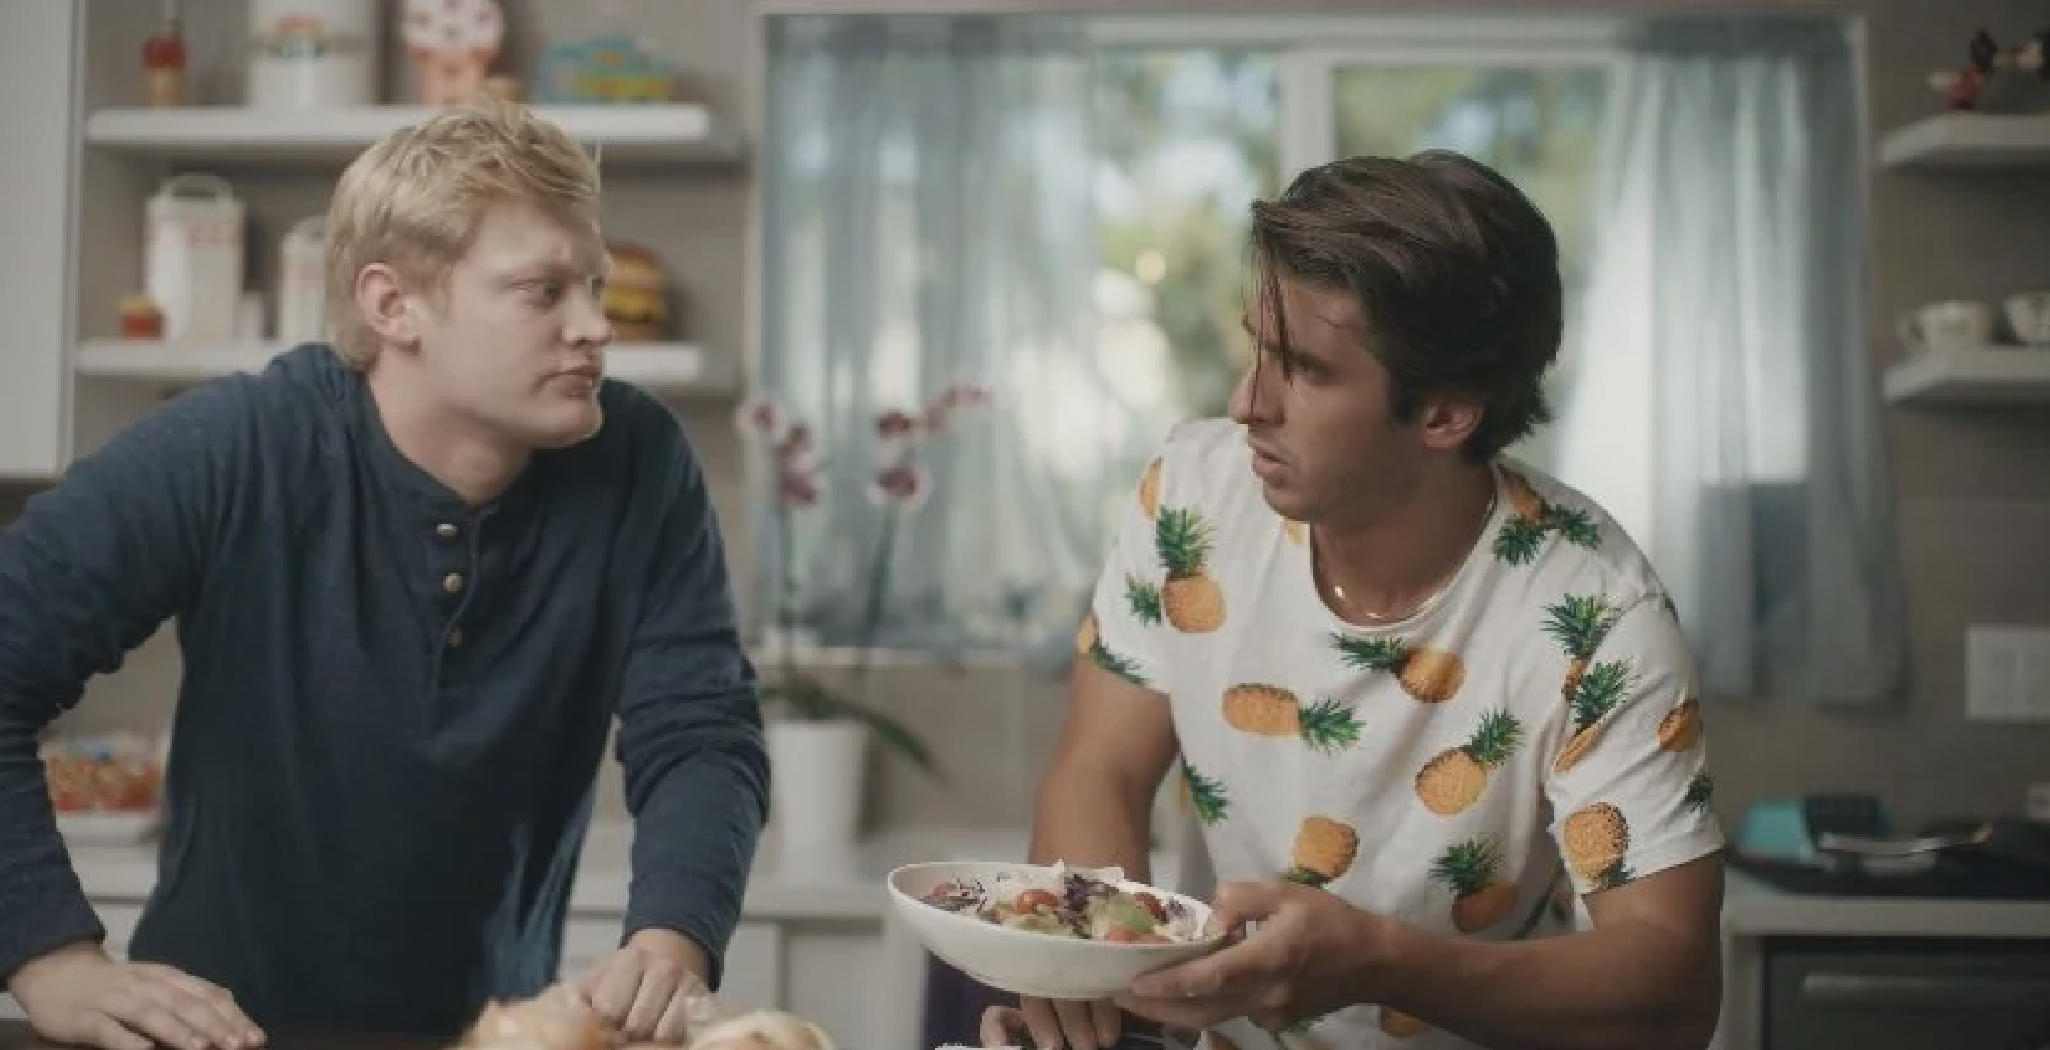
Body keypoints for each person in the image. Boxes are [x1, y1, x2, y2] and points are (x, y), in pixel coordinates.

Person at [0, 101, 769, 1049]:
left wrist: (676, 931)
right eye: (543, 291)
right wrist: (48, 956)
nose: (596, 327)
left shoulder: (639, 460)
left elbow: (699, 728)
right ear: (391, 304)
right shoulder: (236, 447)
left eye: (595, 286)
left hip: (489, 1035)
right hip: (216, 1035)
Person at [997, 152, 1725, 1050]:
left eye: (1302, 368)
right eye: (1257, 345)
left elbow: (1675, 987)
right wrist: (1089, 960)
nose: (1245, 402)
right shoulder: (1193, 495)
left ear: (1444, 415)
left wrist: (1381, 960)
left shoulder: (1599, 613)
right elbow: (1098, 766)